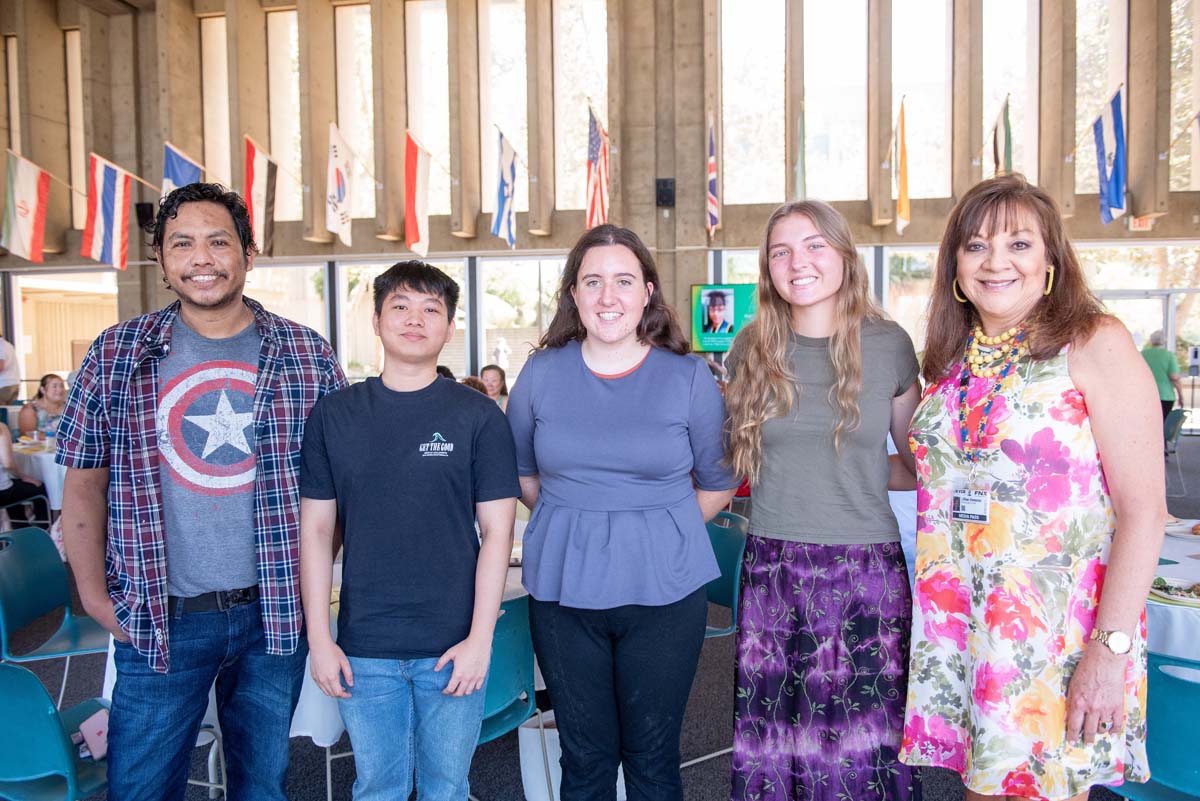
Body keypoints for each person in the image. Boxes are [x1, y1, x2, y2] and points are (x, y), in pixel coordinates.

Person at [56, 183, 347, 801]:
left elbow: (337, 483)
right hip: (161, 616)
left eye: (219, 241)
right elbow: (82, 486)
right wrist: (92, 596)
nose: (203, 258)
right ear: (161, 260)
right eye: (182, 243)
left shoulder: (305, 354)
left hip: (275, 615)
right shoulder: (115, 354)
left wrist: (310, 582)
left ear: (248, 251)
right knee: (140, 786)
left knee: (262, 784)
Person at [899, 174, 1163, 801]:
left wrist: (1110, 651)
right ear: (955, 266)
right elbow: (942, 474)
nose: (995, 261)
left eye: (1019, 244)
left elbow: (1145, 512)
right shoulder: (953, 359)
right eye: (976, 245)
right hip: (966, 626)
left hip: (1055, 635)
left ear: (1050, 261)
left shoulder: (1093, 342)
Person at [506, 224, 738, 801]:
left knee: (652, 758)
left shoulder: (688, 378)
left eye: (624, 281)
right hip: (563, 593)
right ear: (575, 295)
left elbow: (717, 483)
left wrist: (654, 524)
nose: (608, 297)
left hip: (665, 594)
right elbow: (522, 474)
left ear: (648, 293)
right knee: (584, 758)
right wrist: (576, 518)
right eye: (593, 282)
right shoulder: (540, 373)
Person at [723, 200, 923, 801]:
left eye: (814, 246)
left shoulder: (888, 344)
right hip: (772, 567)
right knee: (774, 736)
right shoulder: (751, 346)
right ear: (767, 267)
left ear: (843, 255)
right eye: (781, 251)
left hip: (865, 570)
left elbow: (916, 466)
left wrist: (852, 471)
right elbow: (732, 462)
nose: (797, 262)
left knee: (863, 739)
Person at [300, 261, 519, 801]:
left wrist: (480, 641)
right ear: (376, 321)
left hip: (453, 645)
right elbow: (316, 531)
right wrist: (320, 640)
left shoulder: (479, 417)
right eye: (400, 306)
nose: (414, 319)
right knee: (378, 788)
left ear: (449, 327)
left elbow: (497, 533)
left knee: (448, 788)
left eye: (431, 309)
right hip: (364, 647)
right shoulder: (334, 415)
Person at [0, 420, 49, 528]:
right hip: (2, 492)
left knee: (14, 489)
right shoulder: (1, 428)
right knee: (39, 487)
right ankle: (42, 530)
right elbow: (8, 465)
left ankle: (20, 528)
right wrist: (24, 477)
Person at [1141, 330, 1183, 421]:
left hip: (1145, 395)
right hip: (1165, 396)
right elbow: (1174, 377)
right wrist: (1180, 396)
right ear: (1164, 341)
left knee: (1148, 423)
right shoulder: (1169, 355)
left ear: (1151, 341)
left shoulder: (1142, 354)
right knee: (1162, 423)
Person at [18, 373, 67, 438]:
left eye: (62, 386)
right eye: (54, 386)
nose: (60, 390)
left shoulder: (69, 408)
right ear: (43, 390)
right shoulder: (30, 409)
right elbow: (28, 435)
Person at [0, 334, 19, 405]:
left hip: (3, 385)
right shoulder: (8, 345)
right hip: (14, 383)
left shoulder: (1, 346)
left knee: (2, 412)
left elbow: (1, 366)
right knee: (9, 412)